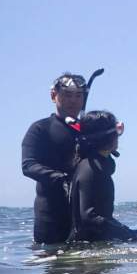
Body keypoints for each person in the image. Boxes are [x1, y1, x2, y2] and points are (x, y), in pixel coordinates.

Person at [67, 110, 137, 243]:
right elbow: (88, 216)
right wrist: (127, 234)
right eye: (117, 132)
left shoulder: (98, 164)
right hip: (86, 249)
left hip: (98, 242)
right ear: (107, 137)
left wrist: (128, 232)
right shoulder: (90, 169)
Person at [22, 73, 89, 244]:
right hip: (51, 215)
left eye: (78, 96)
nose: (73, 101)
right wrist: (60, 179)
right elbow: (28, 165)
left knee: (93, 267)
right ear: (54, 96)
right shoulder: (40, 128)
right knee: (56, 267)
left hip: (86, 212)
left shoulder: (88, 131)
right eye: (67, 95)